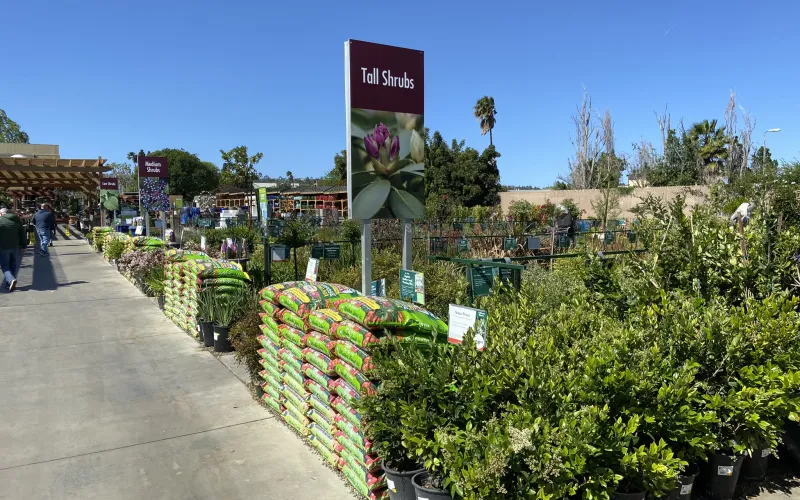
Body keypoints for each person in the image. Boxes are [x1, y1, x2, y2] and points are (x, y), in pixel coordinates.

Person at [0, 207, 26, 291]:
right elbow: (23, 234)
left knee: (4, 265)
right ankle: (9, 283)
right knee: (13, 264)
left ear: (1, 214)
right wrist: (23, 246)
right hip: (15, 246)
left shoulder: (1, 220)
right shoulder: (17, 220)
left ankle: (11, 280)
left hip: (3, 247)